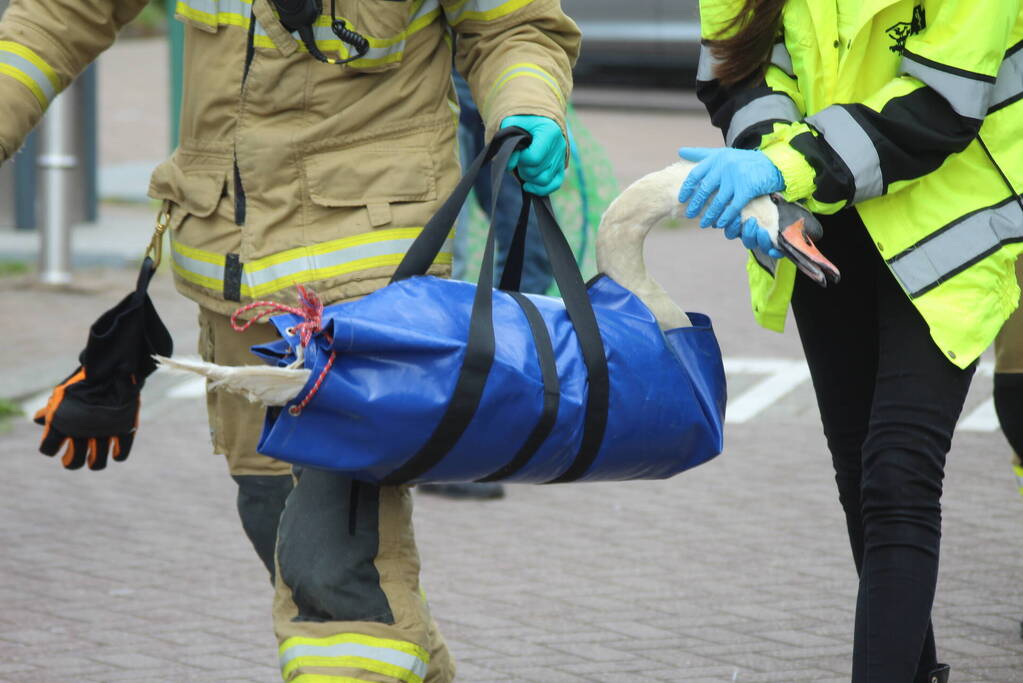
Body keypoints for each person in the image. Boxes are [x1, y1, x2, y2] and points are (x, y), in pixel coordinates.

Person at [0, 1, 579, 680]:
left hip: (369, 296)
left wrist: (529, 105)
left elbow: (511, 25)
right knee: (273, 514)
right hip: (237, 293)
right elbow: (63, 13)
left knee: (333, 569)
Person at [679, 1, 1023, 682]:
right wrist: (770, 163)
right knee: (860, 473)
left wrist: (783, 170)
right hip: (825, 216)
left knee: (899, 472)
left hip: (947, 216)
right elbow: (740, 65)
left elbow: (941, 104)